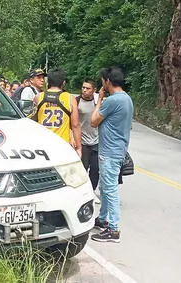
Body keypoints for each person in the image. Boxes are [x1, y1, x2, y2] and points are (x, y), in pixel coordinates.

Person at [90, 67, 134, 243]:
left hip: (109, 152)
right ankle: (103, 219)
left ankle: (113, 229)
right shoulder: (127, 99)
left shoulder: (112, 101)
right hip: (118, 149)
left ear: (108, 81)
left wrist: (100, 99)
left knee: (110, 189)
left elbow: (93, 121)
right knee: (105, 187)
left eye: (102, 82)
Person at [32, 69, 82, 156]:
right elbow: (75, 125)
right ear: (63, 83)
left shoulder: (38, 97)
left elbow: (32, 121)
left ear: (48, 82)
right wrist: (78, 147)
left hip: (42, 145)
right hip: (62, 145)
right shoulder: (70, 98)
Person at [77, 80, 100, 189]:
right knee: (82, 169)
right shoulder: (76, 101)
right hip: (82, 142)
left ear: (94, 90)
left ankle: (92, 191)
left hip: (96, 141)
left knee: (95, 169)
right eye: (83, 87)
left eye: (88, 88)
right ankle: (81, 192)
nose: (84, 90)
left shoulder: (98, 103)